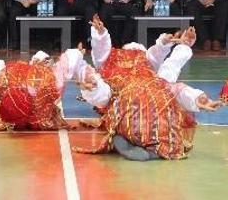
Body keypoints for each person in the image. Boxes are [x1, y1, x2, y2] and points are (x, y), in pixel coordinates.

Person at [76, 19, 220, 160]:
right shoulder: (118, 62)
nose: (132, 55)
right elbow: (168, 66)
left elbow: (162, 61)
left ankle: (128, 139)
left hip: (137, 95)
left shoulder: (143, 65)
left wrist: (198, 99)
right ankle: (149, 145)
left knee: (163, 84)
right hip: (135, 95)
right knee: (165, 85)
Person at [0, 43, 93, 130]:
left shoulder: (14, 74)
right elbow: (67, 64)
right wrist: (78, 53)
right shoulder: (51, 78)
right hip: (35, 117)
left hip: (19, 117)